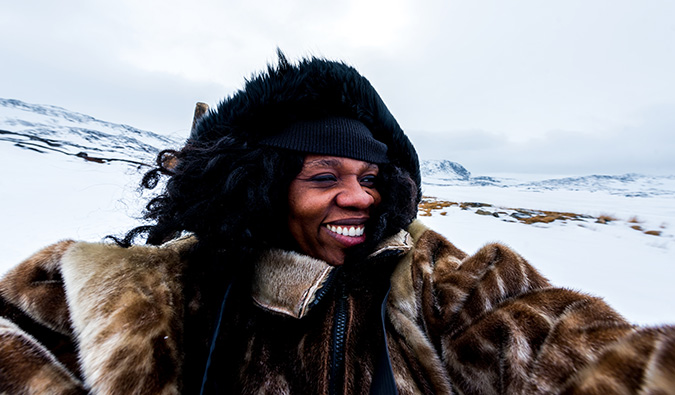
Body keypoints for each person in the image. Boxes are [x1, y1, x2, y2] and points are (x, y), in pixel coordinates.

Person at [1, 52, 674, 395]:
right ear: (260, 189)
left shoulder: (432, 279)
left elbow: (564, 343)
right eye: (323, 176)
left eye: (370, 177)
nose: (357, 197)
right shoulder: (124, 291)